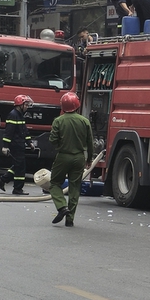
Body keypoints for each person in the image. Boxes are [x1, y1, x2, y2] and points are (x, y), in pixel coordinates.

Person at [47, 91, 91, 227]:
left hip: (63, 156)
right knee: (74, 188)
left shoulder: (58, 121)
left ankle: (62, 206)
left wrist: (60, 144)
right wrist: (89, 158)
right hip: (79, 157)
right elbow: (90, 142)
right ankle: (70, 219)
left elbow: (52, 140)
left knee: (54, 183)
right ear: (77, 105)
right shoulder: (84, 121)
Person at [0, 94, 32, 196]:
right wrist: (5, 146)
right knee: (20, 167)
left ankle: (2, 181)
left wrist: (29, 142)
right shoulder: (13, 115)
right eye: (26, 105)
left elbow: (24, 131)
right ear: (20, 104)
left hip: (19, 144)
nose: (27, 107)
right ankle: (17, 189)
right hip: (15, 145)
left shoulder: (20, 115)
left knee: (18, 165)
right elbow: (9, 132)